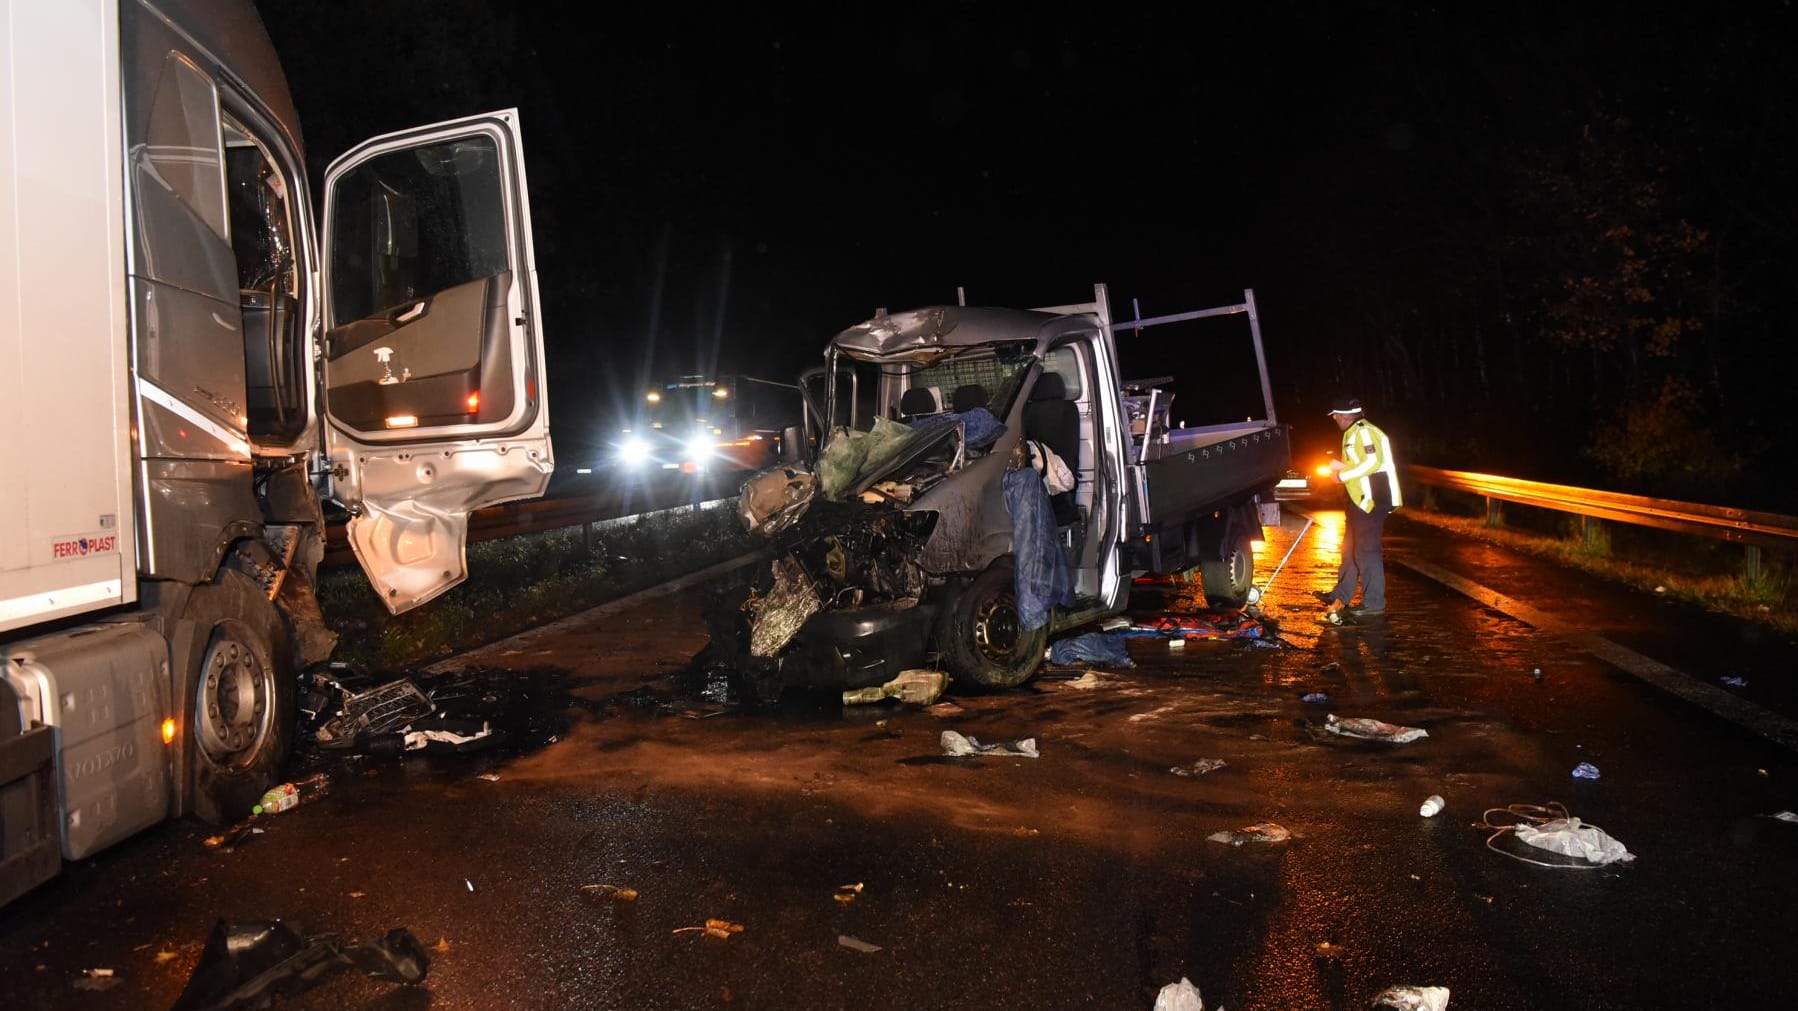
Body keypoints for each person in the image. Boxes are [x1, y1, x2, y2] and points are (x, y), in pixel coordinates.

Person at [1318, 397, 1401, 623]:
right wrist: (1339, 467)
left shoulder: (1363, 432)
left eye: (1336, 414)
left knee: (1366, 551)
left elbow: (1372, 462)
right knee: (1350, 549)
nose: (1334, 418)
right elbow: (1360, 464)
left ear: (1346, 415)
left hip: (1371, 501)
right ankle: (1341, 594)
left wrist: (1341, 475)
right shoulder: (1354, 432)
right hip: (1358, 499)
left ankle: (1374, 603)